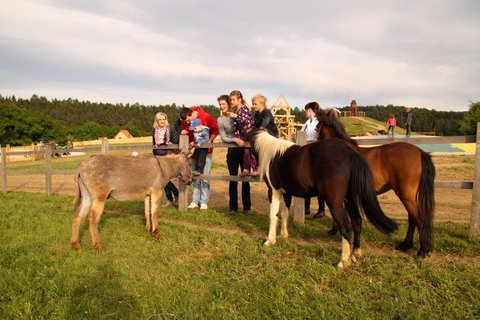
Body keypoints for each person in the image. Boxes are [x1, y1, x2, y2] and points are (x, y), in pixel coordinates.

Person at [217, 94, 252, 215]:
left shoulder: (237, 114)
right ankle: (233, 208)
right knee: (233, 178)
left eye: (224, 104)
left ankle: (247, 207)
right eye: (220, 104)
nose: (222, 106)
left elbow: (247, 124)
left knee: (245, 179)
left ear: (229, 104)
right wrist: (235, 140)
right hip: (232, 151)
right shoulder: (220, 120)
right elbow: (223, 137)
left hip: (244, 150)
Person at [180, 106, 219, 210]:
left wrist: (209, 142)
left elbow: (215, 129)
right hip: (193, 152)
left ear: (191, 114)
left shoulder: (205, 116)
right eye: (185, 121)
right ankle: (194, 200)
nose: (187, 123)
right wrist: (184, 132)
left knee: (205, 176)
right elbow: (186, 132)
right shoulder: (185, 120)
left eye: (188, 120)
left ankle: (204, 202)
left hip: (206, 151)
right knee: (195, 176)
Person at [301, 102, 325, 219]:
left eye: (306, 110)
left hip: (316, 153)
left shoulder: (319, 122)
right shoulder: (307, 123)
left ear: (310, 110)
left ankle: (321, 209)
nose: (306, 113)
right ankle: (306, 207)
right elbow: (303, 134)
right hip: (306, 153)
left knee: (319, 182)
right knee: (305, 180)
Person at [152, 112, 179, 206]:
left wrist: (165, 142)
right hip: (158, 158)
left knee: (164, 179)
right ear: (157, 120)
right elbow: (153, 144)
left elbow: (176, 141)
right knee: (162, 179)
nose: (162, 121)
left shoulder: (170, 129)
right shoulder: (154, 130)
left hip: (168, 157)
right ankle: (171, 198)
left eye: (164, 119)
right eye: (160, 119)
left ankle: (174, 194)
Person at [229, 90, 258, 177]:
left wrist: (235, 116)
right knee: (246, 152)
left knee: (252, 152)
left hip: (249, 133)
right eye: (231, 100)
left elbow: (245, 121)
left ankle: (255, 168)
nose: (232, 102)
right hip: (243, 135)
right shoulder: (235, 110)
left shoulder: (244, 108)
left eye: (233, 99)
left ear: (239, 99)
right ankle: (246, 169)